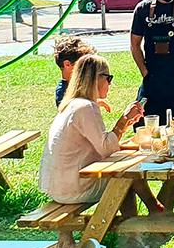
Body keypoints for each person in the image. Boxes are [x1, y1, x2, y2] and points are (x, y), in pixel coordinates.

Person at [39, 55, 145, 204]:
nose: (110, 83)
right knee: (126, 176)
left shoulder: (73, 104)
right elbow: (106, 148)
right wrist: (123, 121)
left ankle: (152, 211)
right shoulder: (85, 107)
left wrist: (125, 124)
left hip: (59, 185)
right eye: (108, 78)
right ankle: (155, 211)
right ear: (96, 79)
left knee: (125, 170)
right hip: (72, 188)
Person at [53, 36, 97, 107]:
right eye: (83, 64)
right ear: (67, 64)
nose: (89, 68)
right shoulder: (63, 91)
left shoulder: (82, 83)